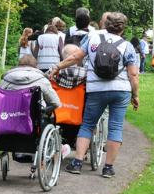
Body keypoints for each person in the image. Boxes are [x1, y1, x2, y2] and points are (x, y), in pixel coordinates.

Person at [50, 12, 139, 178]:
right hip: (120, 91)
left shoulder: (93, 39)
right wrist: (135, 95)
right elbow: (133, 75)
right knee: (115, 127)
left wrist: (58, 67)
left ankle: (77, 163)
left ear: (106, 24)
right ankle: (108, 168)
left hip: (96, 89)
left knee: (87, 124)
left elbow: (75, 56)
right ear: (122, 28)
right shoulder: (127, 46)